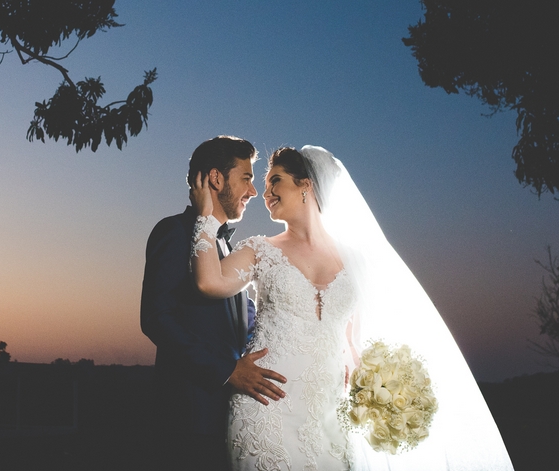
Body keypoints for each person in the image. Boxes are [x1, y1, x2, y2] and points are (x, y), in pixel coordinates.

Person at [191, 145, 514, 471]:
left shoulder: (354, 260)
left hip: (331, 417)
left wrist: (377, 383)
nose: (265, 193)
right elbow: (208, 282)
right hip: (265, 406)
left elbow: (350, 339)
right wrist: (206, 216)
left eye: (275, 180)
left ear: (306, 185)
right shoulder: (259, 249)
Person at [141, 136, 289, 471]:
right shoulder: (174, 232)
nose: (253, 191)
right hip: (189, 419)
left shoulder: (228, 249)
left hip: (233, 416)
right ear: (216, 178)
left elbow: (245, 323)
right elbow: (156, 318)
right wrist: (228, 370)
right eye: (246, 179)